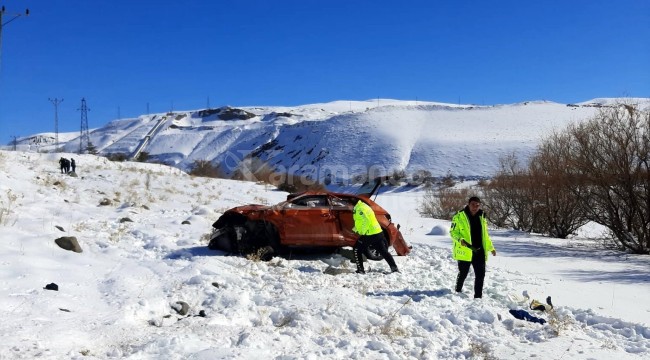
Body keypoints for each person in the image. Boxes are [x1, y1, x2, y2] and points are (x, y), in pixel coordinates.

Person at [450, 196, 496, 298]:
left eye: (477, 205)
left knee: (480, 275)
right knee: (463, 273)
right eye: (473, 205)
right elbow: (453, 232)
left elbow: (485, 235)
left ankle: (478, 297)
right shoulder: (459, 216)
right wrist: (460, 240)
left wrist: (491, 247)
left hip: (479, 251)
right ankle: (457, 291)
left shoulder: (482, 216)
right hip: (466, 250)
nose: (475, 207)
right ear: (468, 204)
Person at [352, 200, 399, 274]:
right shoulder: (364, 206)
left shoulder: (360, 209)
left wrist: (362, 232)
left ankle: (360, 270)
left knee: (357, 249)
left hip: (370, 234)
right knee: (383, 251)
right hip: (378, 232)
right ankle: (394, 268)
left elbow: (366, 221)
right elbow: (361, 221)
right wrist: (355, 229)